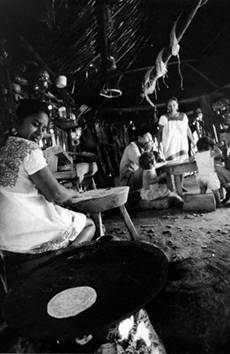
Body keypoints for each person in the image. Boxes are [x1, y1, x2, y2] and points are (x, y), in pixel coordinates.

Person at [0, 99, 95, 254]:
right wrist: (74, 193)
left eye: (43, 128)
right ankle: (63, 264)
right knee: (88, 224)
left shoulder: (4, 146)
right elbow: (55, 194)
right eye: (35, 125)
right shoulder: (29, 148)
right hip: (21, 229)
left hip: (3, 233)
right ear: (17, 121)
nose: (40, 134)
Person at [158, 97, 195, 192]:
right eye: (170, 105)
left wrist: (193, 141)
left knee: (181, 167)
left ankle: (180, 186)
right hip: (170, 146)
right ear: (167, 107)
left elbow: (187, 129)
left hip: (182, 145)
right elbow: (160, 133)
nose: (172, 107)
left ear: (177, 106)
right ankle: (173, 190)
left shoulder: (183, 116)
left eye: (174, 105)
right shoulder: (163, 118)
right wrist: (159, 145)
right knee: (172, 169)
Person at [195, 136, 221, 206]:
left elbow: (190, 159)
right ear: (209, 147)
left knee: (203, 190)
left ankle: (202, 203)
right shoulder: (210, 153)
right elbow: (219, 153)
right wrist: (215, 147)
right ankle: (218, 203)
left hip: (200, 177)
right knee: (215, 191)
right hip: (209, 176)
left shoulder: (197, 154)